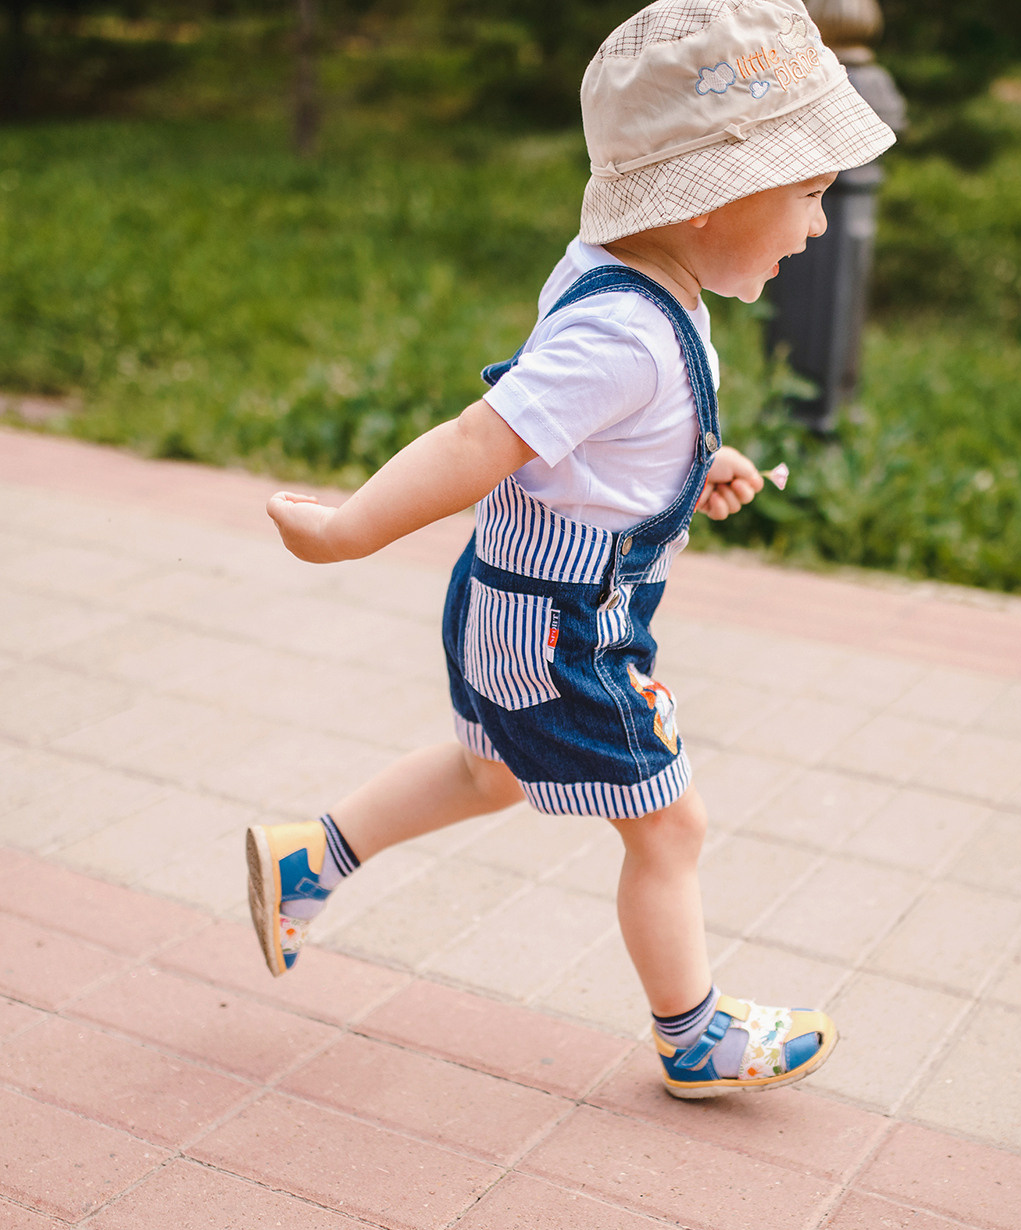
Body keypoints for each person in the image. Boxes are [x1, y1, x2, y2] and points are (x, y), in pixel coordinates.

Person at [249, 0, 895, 1098]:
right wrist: (350, 529)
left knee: (488, 772)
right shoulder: (623, 331)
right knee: (670, 825)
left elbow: (598, 438)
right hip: (561, 631)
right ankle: (691, 1037)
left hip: (524, 609)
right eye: (806, 196)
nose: (818, 227)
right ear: (712, 203)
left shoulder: (632, 279)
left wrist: (694, 460)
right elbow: (482, 440)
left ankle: (308, 859)